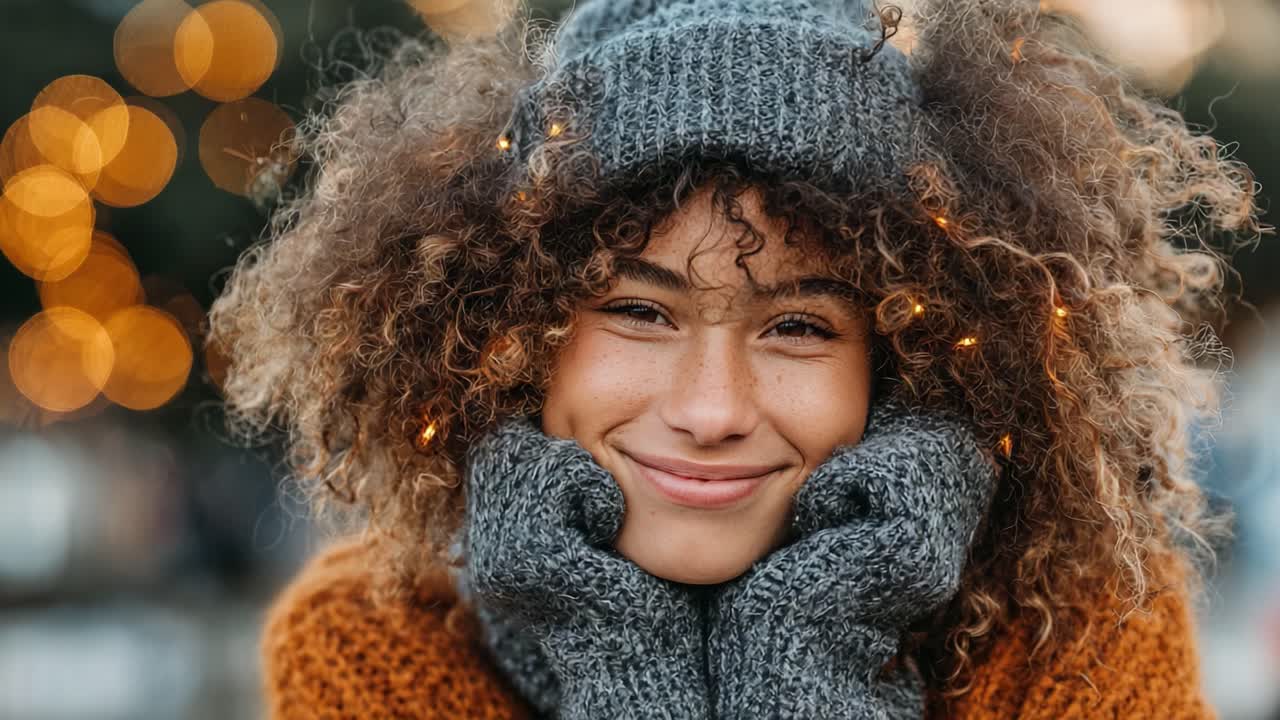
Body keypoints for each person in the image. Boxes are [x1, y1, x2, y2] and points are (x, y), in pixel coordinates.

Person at [209, 0, 1261, 716]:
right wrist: (617, 654)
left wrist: (810, 657)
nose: (711, 410)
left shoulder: (1080, 637)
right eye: (639, 311)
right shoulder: (375, 642)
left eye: (797, 326)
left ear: (908, 361)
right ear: (510, 334)